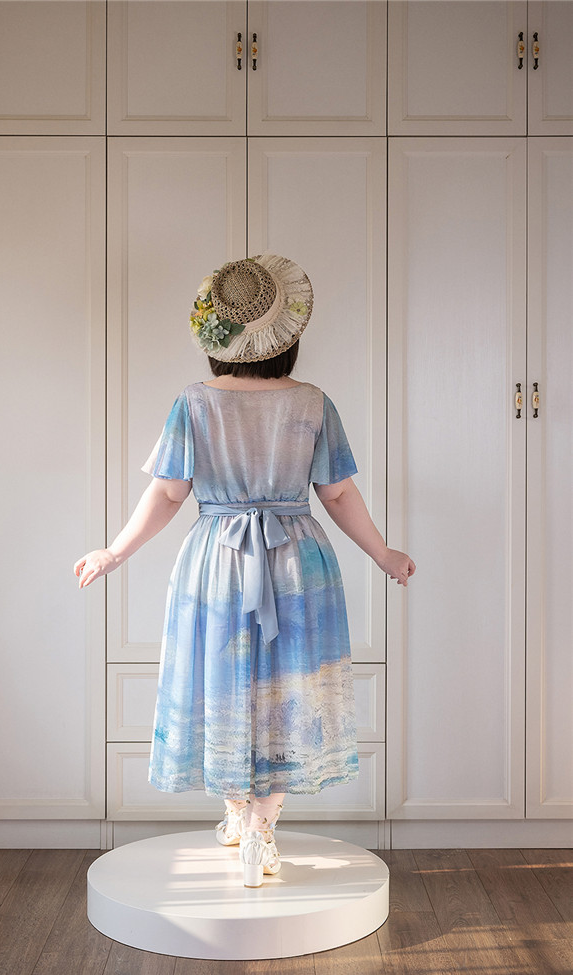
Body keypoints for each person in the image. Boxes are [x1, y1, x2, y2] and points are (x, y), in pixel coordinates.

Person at [74, 253, 415, 888]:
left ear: (217, 337)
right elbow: (339, 494)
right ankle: (262, 826)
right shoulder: (313, 402)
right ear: (288, 338)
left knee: (222, 683)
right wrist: (383, 553)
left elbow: (167, 494)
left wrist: (113, 552)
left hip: (216, 561)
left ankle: (238, 812)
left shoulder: (193, 403)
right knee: (291, 685)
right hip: (298, 562)